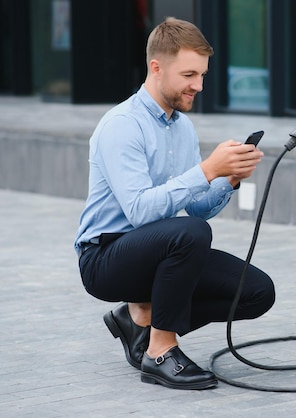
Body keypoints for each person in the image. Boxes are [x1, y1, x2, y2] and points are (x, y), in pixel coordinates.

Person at [74, 17, 275, 390]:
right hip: (105, 256)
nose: (198, 85)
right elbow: (139, 211)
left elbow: (198, 207)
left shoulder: (182, 127)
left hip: (158, 251)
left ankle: (139, 324)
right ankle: (160, 353)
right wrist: (206, 168)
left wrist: (226, 180)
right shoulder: (122, 124)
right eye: (189, 75)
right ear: (156, 67)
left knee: (257, 292)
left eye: (202, 75)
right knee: (191, 234)